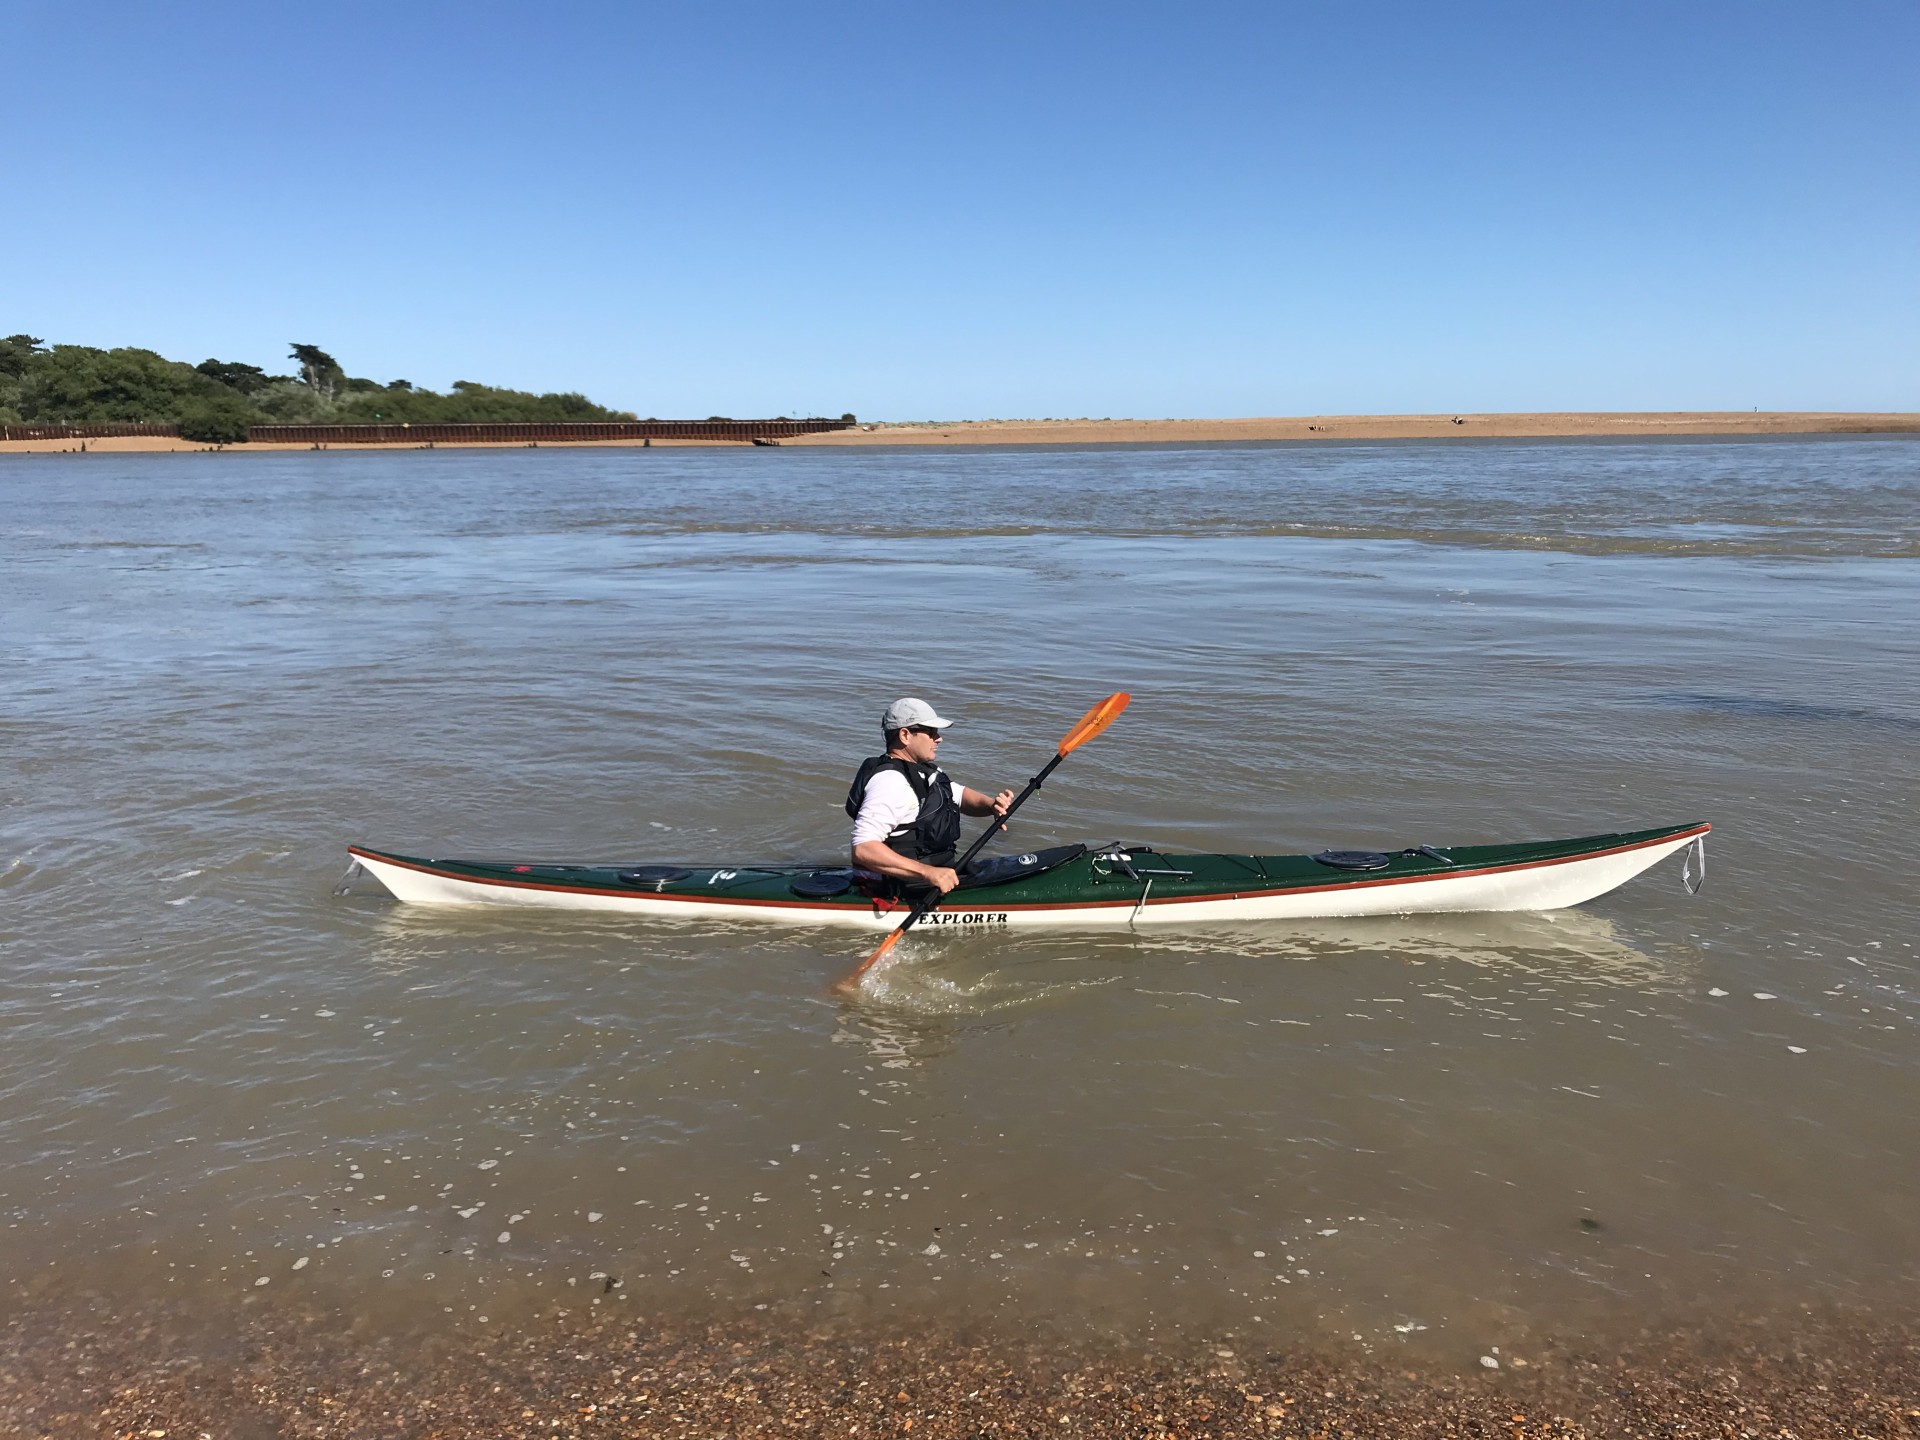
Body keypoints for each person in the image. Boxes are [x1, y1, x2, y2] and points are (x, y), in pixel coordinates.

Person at [846, 698, 1014, 897]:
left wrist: (991, 805)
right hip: (906, 886)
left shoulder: (923, 771)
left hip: (937, 872)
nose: (939, 738)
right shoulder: (891, 783)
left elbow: (958, 795)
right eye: (931, 732)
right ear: (905, 735)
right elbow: (863, 848)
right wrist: (928, 873)